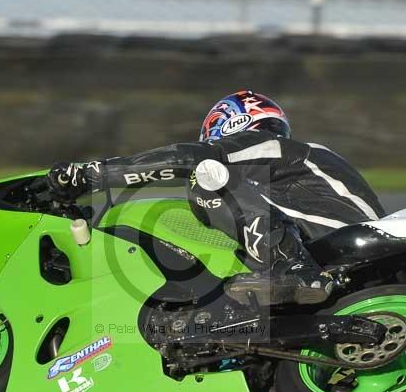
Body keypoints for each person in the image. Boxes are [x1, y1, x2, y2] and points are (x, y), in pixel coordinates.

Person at [43, 90, 384, 306]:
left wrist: (92, 175)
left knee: (206, 178)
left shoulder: (275, 147)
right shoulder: (278, 177)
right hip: (330, 248)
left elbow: (189, 158)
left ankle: (292, 267)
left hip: (339, 242)